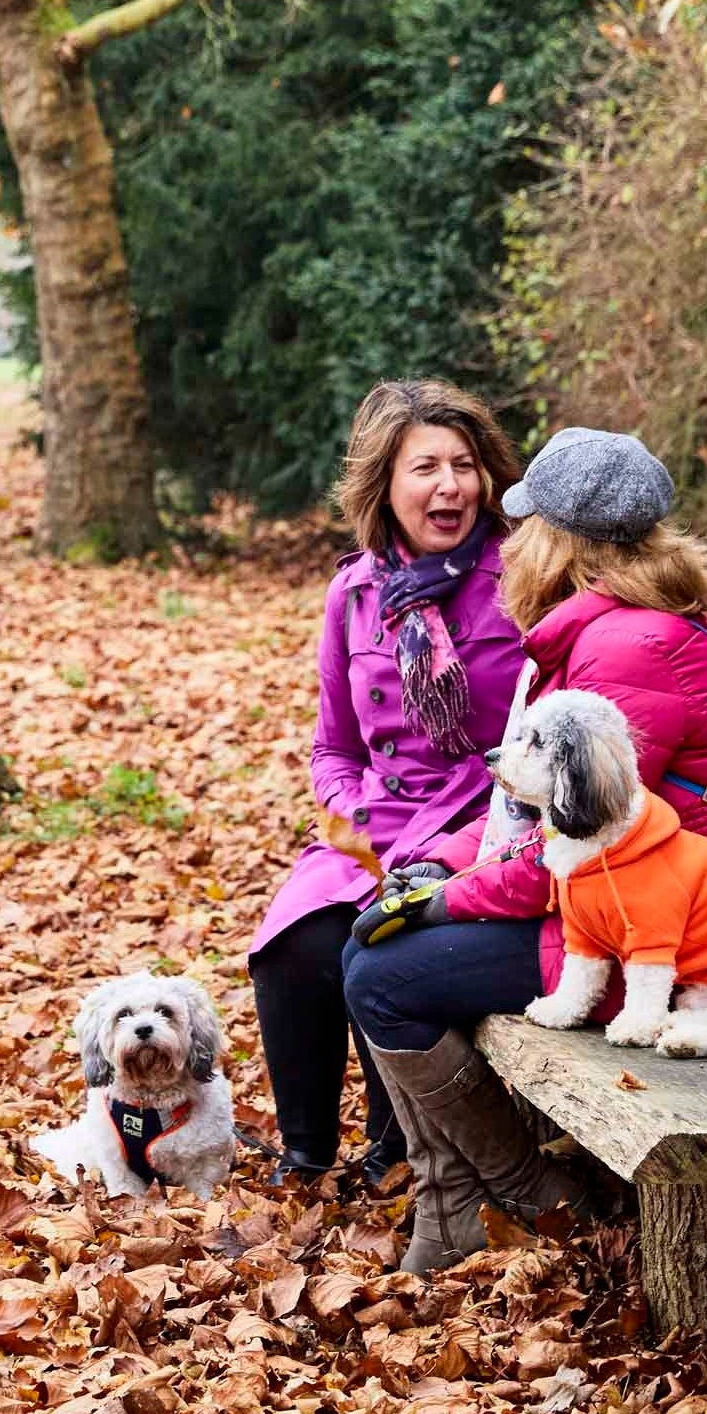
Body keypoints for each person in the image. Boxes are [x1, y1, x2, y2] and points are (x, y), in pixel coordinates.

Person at [343, 427, 707, 1273]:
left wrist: (444, 900)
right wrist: (438, 862)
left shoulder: (628, 650)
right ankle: (452, 1200)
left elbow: (575, 842)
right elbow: (527, 807)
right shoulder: (607, 634)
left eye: (527, 525)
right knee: (372, 947)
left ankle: (531, 1196)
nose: (513, 543)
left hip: (669, 937)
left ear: (562, 542)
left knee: (383, 976)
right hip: (619, 901)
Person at [250, 380, 529, 1188]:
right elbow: (332, 749)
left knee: (376, 936)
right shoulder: (355, 591)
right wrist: (348, 812)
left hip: (488, 816)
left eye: (466, 465)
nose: (451, 486)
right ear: (386, 483)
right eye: (427, 468)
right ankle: (305, 1156)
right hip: (378, 820)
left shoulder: (520, 577)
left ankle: (397, 1147)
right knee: (292, 944)